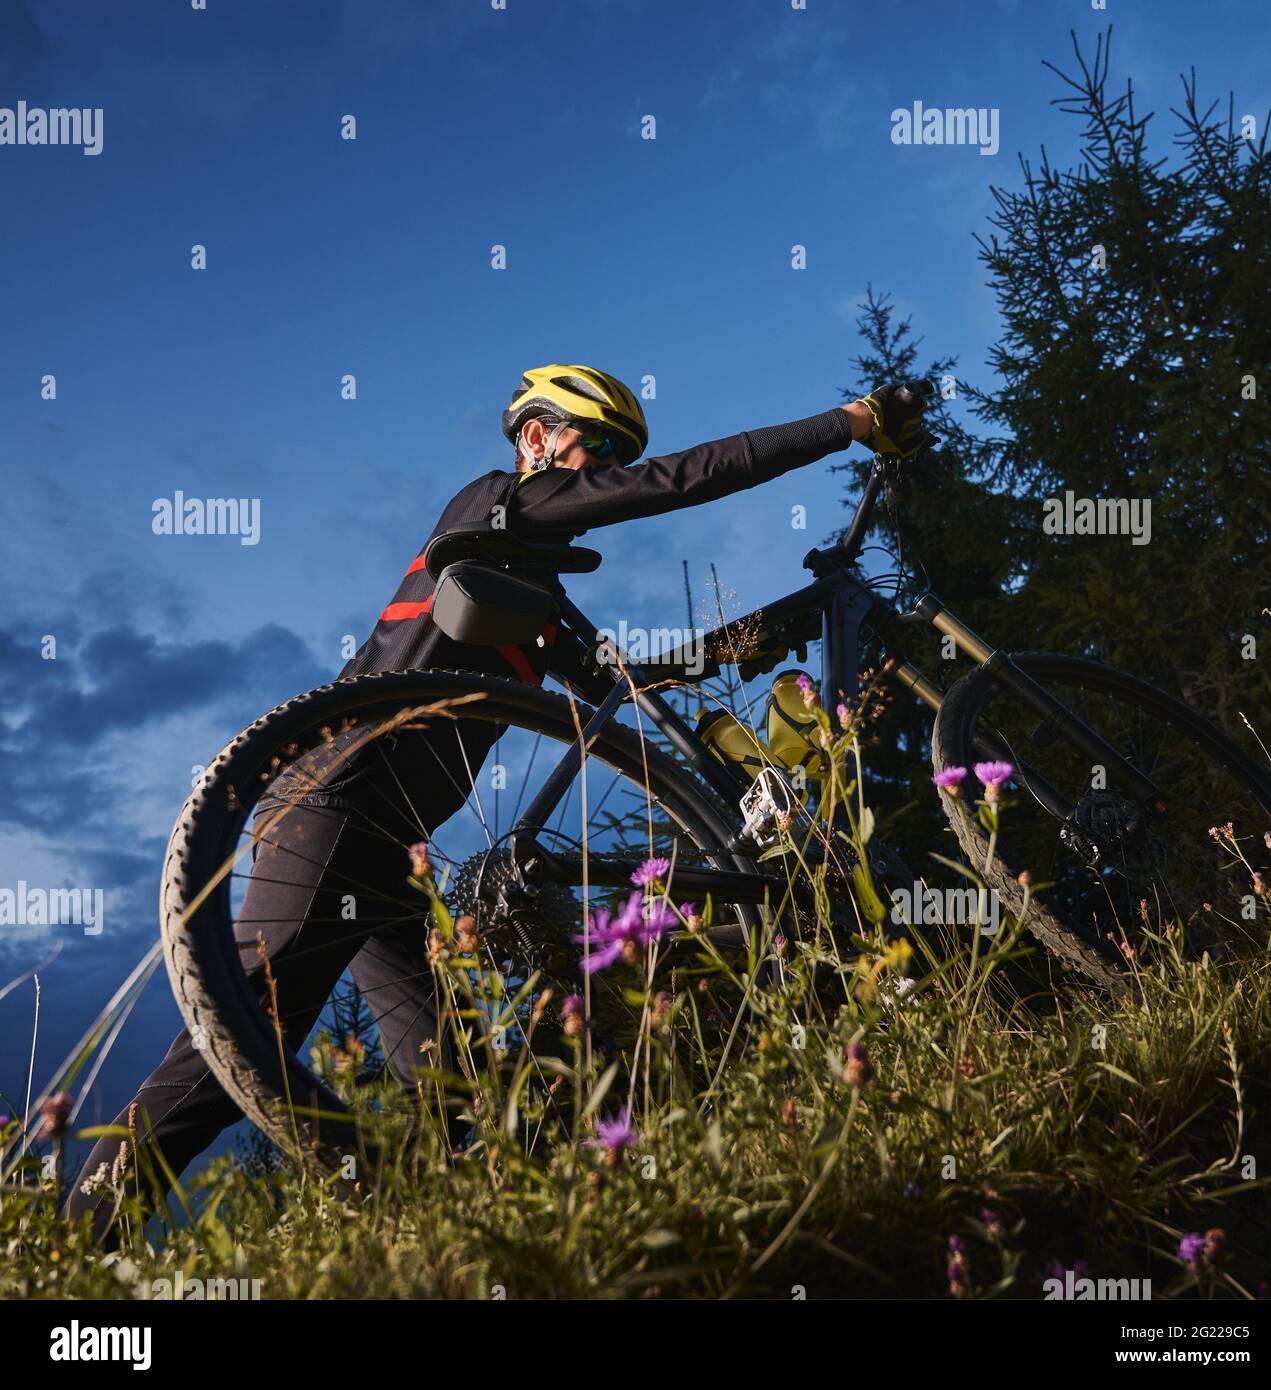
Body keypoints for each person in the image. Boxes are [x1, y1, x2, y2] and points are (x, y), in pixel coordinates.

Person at [66, 364, 935, 1242]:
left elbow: (623, 682)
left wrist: (765, 632)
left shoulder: (538, 605)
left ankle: (451, 1234)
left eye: (608, 456)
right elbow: (676, 479)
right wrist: (849, 423)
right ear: (534, 437)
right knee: (244, 1029)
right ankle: (74, 1243)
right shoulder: (494, 507)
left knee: (449, 1077)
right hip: (338, 795)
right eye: (590, 445)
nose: (597, 468)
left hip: (385, 842)